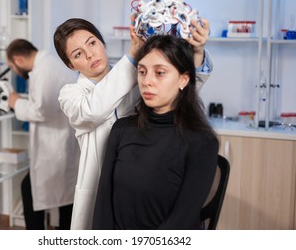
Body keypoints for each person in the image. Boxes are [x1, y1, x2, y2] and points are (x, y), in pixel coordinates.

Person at [53, 17, 212, 229]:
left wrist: (198, 51)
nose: (90, 54)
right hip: (104, 193)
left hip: (144, 188)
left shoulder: (135, 75)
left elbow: (180, 85)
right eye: (78, 54)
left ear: (102, 42)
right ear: (70, 64)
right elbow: (93, 110)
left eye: (92, 43)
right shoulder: (71, 95)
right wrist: (133, 57)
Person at [92, 35, 219, 230]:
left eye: (160, 73)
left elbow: (183, 218)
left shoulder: (201, 141)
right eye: (142, 72)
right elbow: (103, 205)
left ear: (183, 79)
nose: (147, 81)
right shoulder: (122, 130)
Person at [6, 39, 80, 230]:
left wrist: (15, 103)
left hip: (56, 144)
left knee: (34, 190)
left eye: (11, 66)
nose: (14, 71)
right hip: (60, 142)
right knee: (66, 199)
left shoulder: (44, 70)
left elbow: (42, 111)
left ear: (18, 59)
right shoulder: (47, 64)